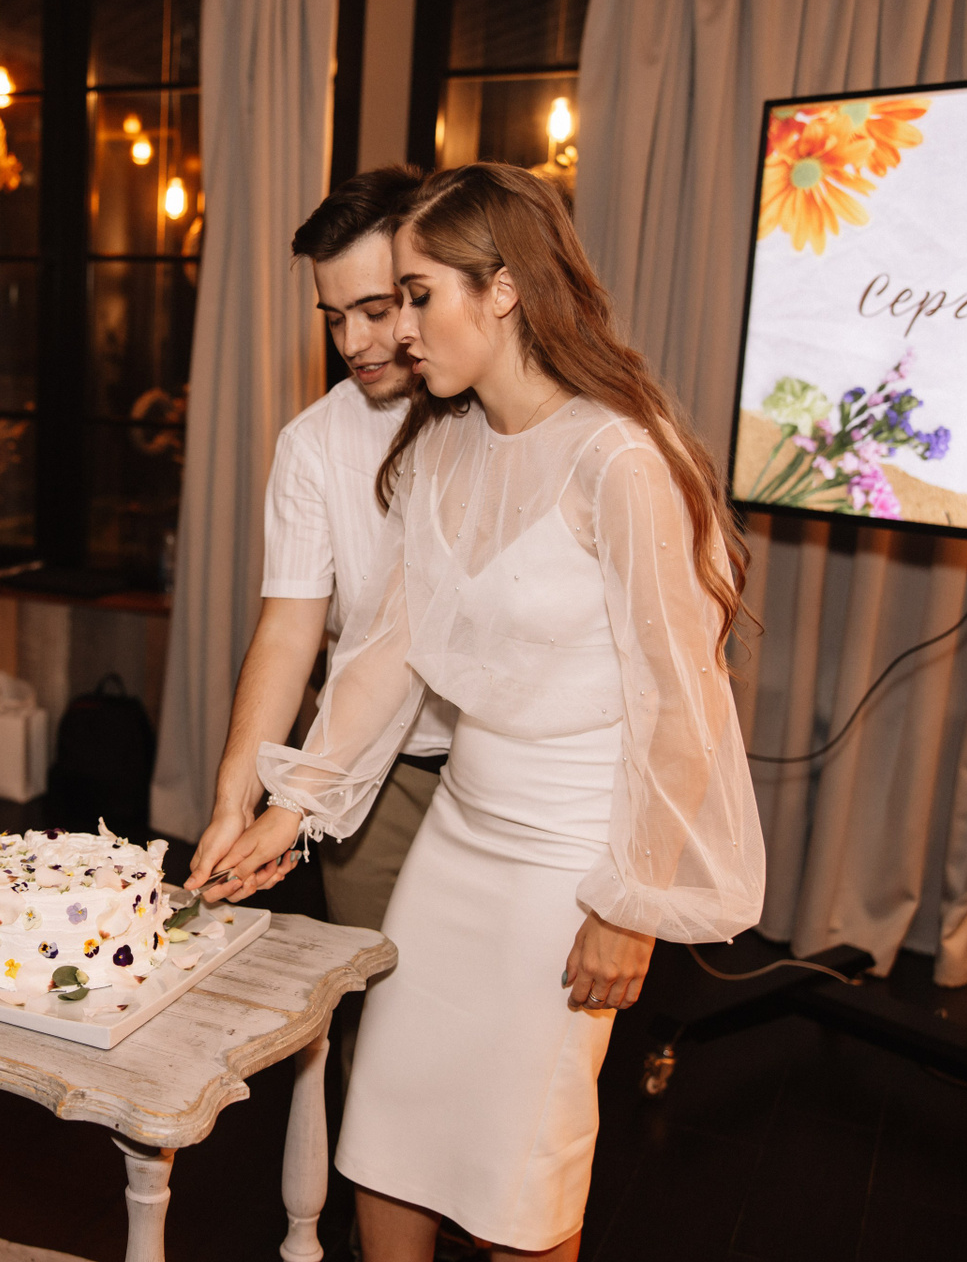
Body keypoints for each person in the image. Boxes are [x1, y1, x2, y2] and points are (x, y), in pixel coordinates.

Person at [201, 163, 767, 1260]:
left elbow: (680, 702)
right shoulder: (446, 444)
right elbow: (387, 653)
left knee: (520, 1179)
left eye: (416, 296)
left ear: (503, 289)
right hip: (457, 838)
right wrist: (288, 810)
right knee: (384, 1136)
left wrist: (629, 904)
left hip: (568, 860)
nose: (397, 331)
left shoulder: (621, 457)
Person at [186, 165, 457, 940]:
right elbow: (289, 630)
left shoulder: (496, 424)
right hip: (372, 778)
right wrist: (237, 799)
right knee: (373, 989)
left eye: (376, 310)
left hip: (510, 780)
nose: (354, 344)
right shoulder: (313, 443)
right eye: (334, 318)